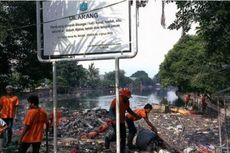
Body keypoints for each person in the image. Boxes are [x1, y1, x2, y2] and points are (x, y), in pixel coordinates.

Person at [104, 88, 140, 153]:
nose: (128, 98)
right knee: (116, 135)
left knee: (123, 136)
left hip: (122, 120)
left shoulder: (127, 101)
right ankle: (107, 139)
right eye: (127, 97)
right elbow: (111, 110)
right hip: (115, 121)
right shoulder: (116, 100)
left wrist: (135, 115)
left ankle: (122, 149)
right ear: (123, 95)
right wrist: (113, 119)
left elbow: (128, 109)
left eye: (128, 97)